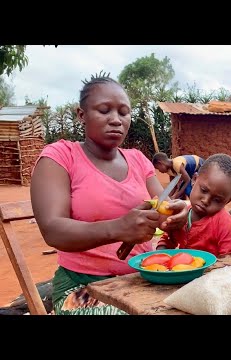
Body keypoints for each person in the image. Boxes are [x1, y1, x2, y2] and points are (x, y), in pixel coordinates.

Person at [30, 72, 189, 315]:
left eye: (123, 112)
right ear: (81, 115)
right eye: (104, 110)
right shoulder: (60, 157)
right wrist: (117, 228)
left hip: (142, 279)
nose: (116, 119)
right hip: (83, 287)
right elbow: (52, 230)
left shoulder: (137, 160)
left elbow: (162, 207)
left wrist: (175, 213)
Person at [156, 153, 231, 257]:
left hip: (212, 272)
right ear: (194, 179)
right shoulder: (181, 214)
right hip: (181, 268)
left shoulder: (224, 223)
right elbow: (168, 238)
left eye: (217, 200)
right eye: (203, 190)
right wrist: (160, 253)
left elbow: (229, 258)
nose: (206, 200)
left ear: (227, 201)